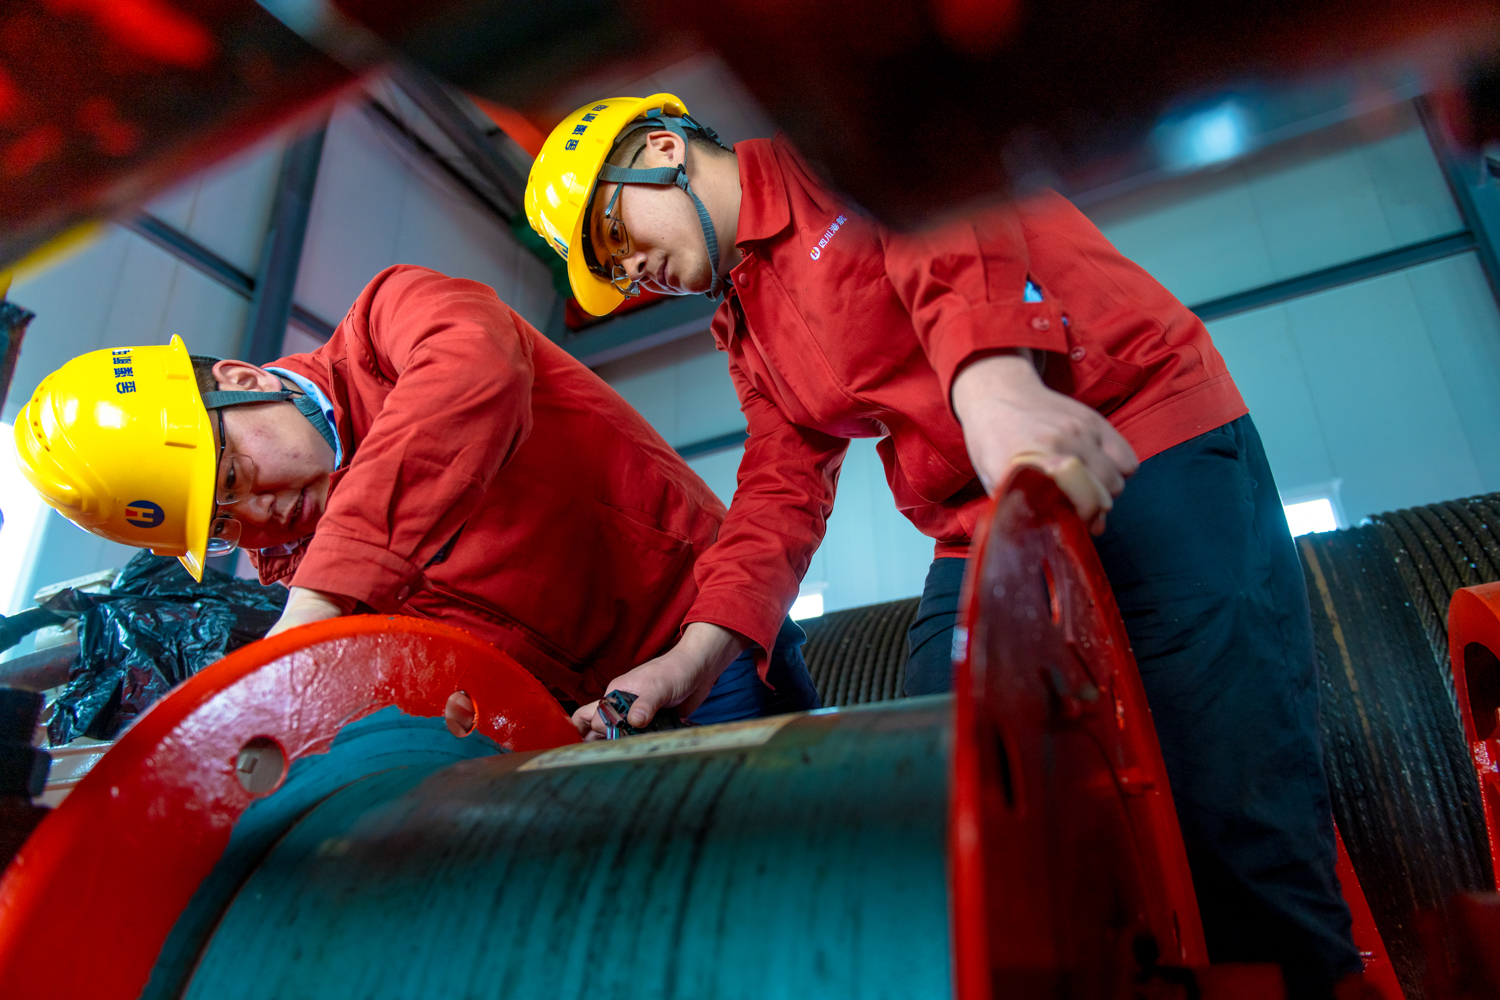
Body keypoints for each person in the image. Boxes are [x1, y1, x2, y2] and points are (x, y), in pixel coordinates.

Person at [523, 95, 1365, 997]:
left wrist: (994, 383)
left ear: (662, 149)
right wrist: (690, 660)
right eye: (612, 272)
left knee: (1229, 806)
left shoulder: (834, 148)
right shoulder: (745, 324)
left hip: (1134, 434)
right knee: (951, 788)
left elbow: (942, 229)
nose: (632, 272)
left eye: (615, 235)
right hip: (980, 520)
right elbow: (778, 487)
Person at [13, 264, 819, 736]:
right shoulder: (295, 571)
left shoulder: (391, 321)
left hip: (705, 639)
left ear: (243, 381)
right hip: (587, 722)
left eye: (229, 479)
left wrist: (324, 597)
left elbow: (474, 371)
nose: (257, 516)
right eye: (222, 524)